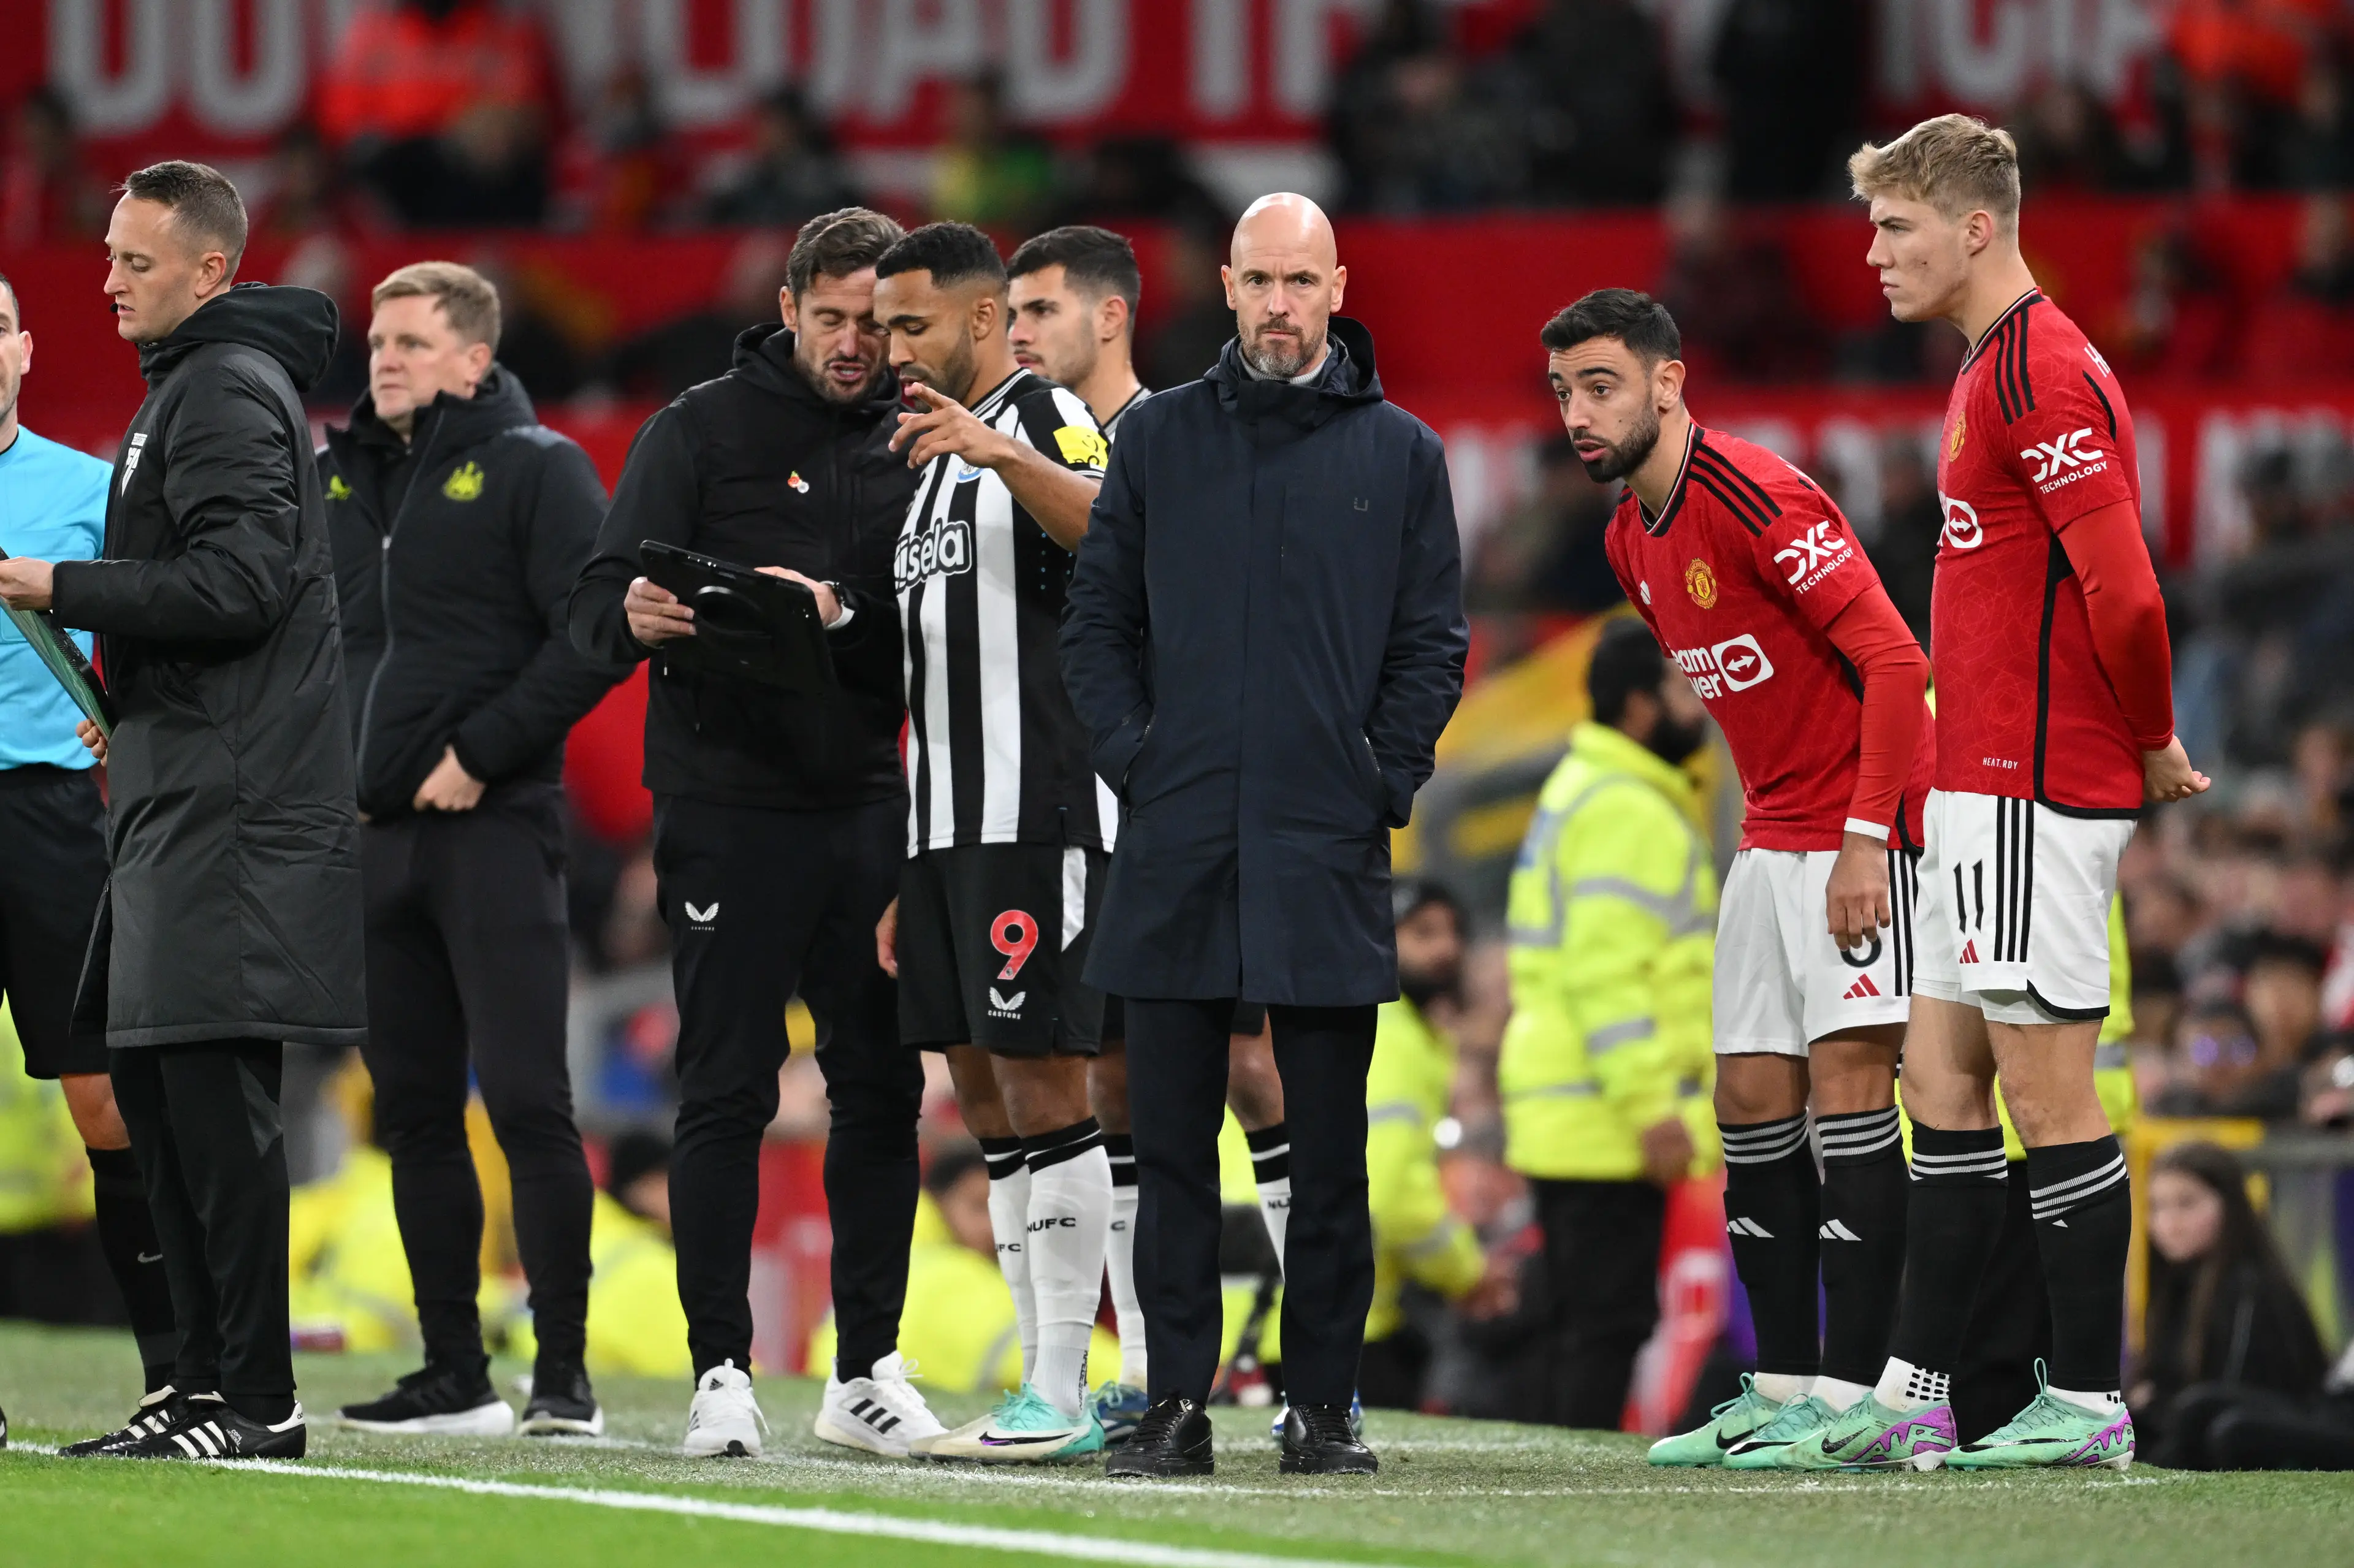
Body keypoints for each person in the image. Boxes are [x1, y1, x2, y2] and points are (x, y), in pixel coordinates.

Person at [1061, 192, 1468, 1478]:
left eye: (1302, 279)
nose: (1281, 303)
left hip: (1322, 844)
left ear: (1339, 285)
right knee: (1169, 1149)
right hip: (1178, 842)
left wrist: (1377, 777)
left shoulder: (1402, 453)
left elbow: (1431, 644)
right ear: (1226, 288)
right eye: (1260, 281)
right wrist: (1142, 758)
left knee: (1331, 1154)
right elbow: (1095, 629)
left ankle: (1323, 1406)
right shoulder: (1160, 442)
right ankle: (1175, 1402)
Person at [1827, 114, 2206, 1471]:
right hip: (1978, 790)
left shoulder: (2043, 370)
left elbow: (2127, 589)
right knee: (1940, 1078)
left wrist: (2153, 736)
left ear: (1975, 227)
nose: (1875, 255)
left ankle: (2092, 1400)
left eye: (1897, 227)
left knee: (2049, 1097)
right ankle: (1917, 1389)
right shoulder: (1990, 366)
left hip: (2038, 788)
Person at [0, 161, 364, 1462]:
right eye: (105, 256)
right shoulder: (189, 388)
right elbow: (213, 607)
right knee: (157, 1095)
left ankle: (255, 1399)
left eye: (135, 263)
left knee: (211, 1109)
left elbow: (244, 582)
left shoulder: (219, 390)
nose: (105, 280)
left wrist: (60, 581)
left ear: (210, 271)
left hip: (234, 809)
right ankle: (200, 1384)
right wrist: (133, 692)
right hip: (178, 788)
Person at [1535, 289, 1936, 1464]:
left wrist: (1869, 837)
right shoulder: (1626, 540)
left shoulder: (1758, 493)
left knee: (1853, 1108)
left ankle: (1868, 1397)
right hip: (1767, 843)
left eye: (1601, 384)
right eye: (1563, 391)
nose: (1578, 412)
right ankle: (1786, 1381)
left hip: (1856, 838)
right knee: (1753, 1103)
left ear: (1669, 381)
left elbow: (1895, 658)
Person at [568, 208, 943, 1460]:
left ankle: (867, 1370)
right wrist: (633, 609)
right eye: (831, 316)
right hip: (725, 802)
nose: (854, 343)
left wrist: (846, 615)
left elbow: (956, 629)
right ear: (787, 309)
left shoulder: (924, 437)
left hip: (869, 802)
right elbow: (598, 594)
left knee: (879, 1084)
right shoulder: (700, 429)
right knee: (725, 1082)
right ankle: (720, 1370)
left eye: (875, 322)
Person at [319, 261, 622, 1438]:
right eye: (378, 338)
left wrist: (482, 751)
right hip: (373, 836)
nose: (383, 356)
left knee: (532, 1101)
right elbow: (314, 649)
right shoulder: (337, 478)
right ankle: (454, 1370)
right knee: (412, 1112)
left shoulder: (538, 467)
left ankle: (564, 1377)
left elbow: (595, 633)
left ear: (474, 358)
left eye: (410, 340)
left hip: (493, 825)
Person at [1002, 224, 1293, 1441]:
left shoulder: (1176, 436)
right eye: (1009, 313)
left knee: (1255, 1069)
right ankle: (1142, 1365)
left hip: (1207, 812)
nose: (1017, 333)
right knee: (1123, 1083)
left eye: (1040, 310)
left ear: (1111, 316)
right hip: (1087, 815)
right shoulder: (1024, 444)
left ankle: (1312, 1350)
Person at [861, 221, 1116, 1463]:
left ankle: (1063, 1390)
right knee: (985, 1103)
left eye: (912, 325)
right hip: (949, 827)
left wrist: (1000, 449)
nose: (890, 348)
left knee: (1045, 1082)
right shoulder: (921, 462)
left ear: (976, 320)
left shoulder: (1048, 416)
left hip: (1040, 812)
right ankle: (1036, 1382)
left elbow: (1123, 537)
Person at [0, 272, 181, 1408]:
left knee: (105, 1097)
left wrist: (125, 705)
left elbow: (154, 618)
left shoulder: (84, 485)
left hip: (51, 808)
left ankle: (175, 1374)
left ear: (22, 349)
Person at [1498, 618, 1718, 1429]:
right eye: (1682, 691)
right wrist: (1651, 1104)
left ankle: (1551, 1490)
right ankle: (1570, 1501)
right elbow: (1609, 975)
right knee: (1605, 1328)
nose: (1699, 708)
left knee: (1577, 1325)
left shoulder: (1585, 790)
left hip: (1572, 1107)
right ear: (1638, 706)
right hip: (1605, 1117)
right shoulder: (1628, 807)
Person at [1361, 880, 1514, 1409]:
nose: (1446, 948)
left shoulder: (1401, 1031)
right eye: (1422, 933)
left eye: (1453, 933)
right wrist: (1467, 1271)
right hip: (1342, 1317)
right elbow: (1394, 1198)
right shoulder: (1390, 1035)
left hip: (1305, 1300)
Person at [2130, 1142, 2331, 1467]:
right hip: (2201, 1422)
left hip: (2269, 1425)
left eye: (2187, 1204)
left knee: (2202, 1414)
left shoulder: (2251, 1287)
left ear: (2230, 1206)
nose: (2169, 1221)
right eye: (2158, 1207)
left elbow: (2229, 1392)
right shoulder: (2175, 1285)